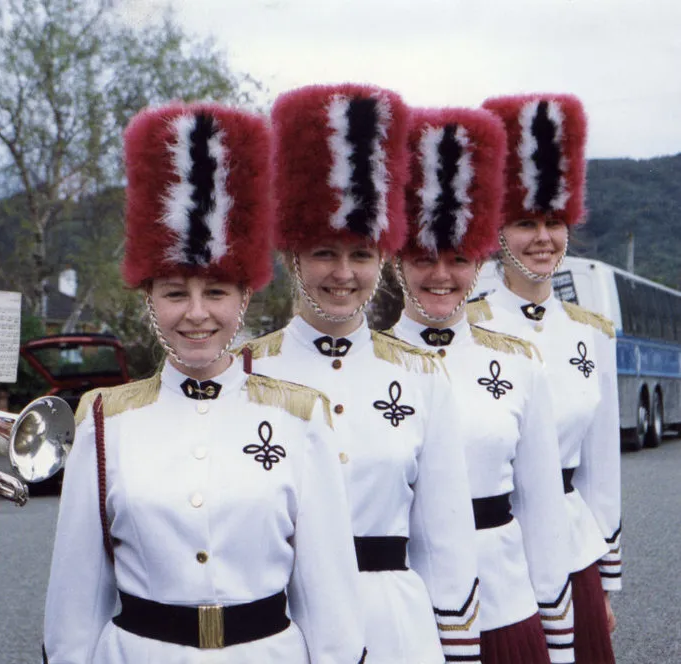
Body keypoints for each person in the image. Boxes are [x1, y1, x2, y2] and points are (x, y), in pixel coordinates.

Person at [42, 102, 367, 664]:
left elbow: (329, 592)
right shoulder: (103, 420)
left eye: (216, 292)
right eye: (174, 293)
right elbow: (76, 597)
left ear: (245, 297)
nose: (196, 314)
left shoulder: (301, 416)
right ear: (149, 300)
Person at [240, 83, 481, 664]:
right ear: (292, 254)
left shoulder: (423, 378)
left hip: (395, 626)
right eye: (325, 251)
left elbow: (446, 542)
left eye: (362, 254)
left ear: (384, 259)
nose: (343, 273)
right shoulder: (244, 372)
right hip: (278, 627)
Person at [388, 107, 575, 663]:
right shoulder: (366, 370)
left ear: (480, 263)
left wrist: (558, 643)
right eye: (424, 258)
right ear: (396, 261)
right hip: (407, 616)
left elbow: (542, 515)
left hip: (504, 605)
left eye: (460, 259)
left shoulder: (520, 366)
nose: (442, 276)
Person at [470, 94, 620, 664]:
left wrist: (604, 581)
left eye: (553, 222)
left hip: (574, 552)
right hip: (491, 556)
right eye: (525, 222)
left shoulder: (593, 333)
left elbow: (601, 476)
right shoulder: (465, 328)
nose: (542, 238)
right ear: (497, 230)